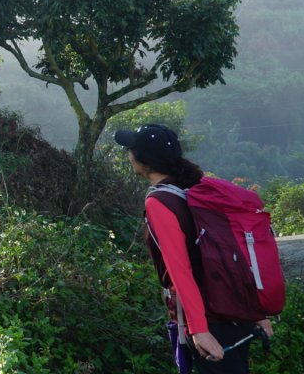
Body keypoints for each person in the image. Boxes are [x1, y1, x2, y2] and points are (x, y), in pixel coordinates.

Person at [114, 124, 273, 373]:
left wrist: (199, 329)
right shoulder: (195, 189)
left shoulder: (160, 201)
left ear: (144, 160)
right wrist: (254, 311)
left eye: (131, 149)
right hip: (233, 309)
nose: (128, 154)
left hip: (209, 321)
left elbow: (180, 271)